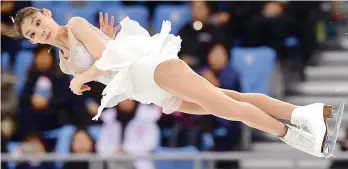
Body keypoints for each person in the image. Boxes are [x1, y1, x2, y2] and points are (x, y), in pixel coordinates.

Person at [1, 6, 336, 158]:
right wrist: (94, 64)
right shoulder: (61, 61)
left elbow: (106, 59)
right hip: (147, 91)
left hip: (154, 70)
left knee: (228, 108)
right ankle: (308, 113)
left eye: (38, 22)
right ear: (30, 40)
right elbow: (108, 68)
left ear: (47, 13)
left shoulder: (74, 23)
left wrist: (86, 74)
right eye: (31, 33)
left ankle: (298, 136)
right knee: (231, 98)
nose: (38, 31)